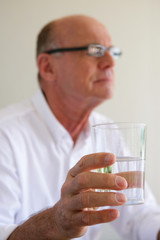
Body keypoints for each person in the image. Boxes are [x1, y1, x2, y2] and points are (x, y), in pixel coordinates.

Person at [0, 14, 160, 240]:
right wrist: (56, 222)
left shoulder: (107, 130)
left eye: (112, 52)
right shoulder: (4, 134)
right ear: (48, 67)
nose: (111, 63)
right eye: (95, 50)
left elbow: (140, 216)